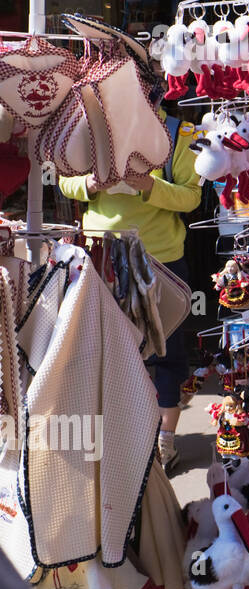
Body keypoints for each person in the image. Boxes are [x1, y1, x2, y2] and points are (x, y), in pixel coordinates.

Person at [59, 109, 201, 471]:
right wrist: (91, 184)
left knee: (165, 354)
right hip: (102, 253)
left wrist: (149, 186)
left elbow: (191, 197)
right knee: (102, 350)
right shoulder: (91, 129)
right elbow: (64, 181)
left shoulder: (176, 132)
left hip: (161, 260)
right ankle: (117, 439)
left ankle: (164, 443)